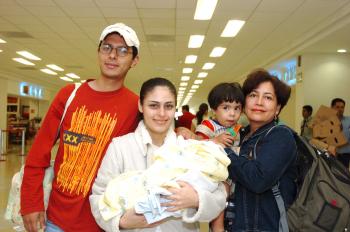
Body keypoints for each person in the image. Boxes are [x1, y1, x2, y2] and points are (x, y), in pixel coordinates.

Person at [20, 23, 140, 232]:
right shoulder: (69, 95)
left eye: (123, 51)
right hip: (56, 221)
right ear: (98, 51)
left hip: (105, 222)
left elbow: (161, 144)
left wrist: (187, 134)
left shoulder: (136, 106)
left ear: (134, 61)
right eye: (107, 47)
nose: (113, 55)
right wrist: (30, 202)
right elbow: (38, 153)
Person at [90, 77, 226, 232]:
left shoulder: (189, 147)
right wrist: (121, 222)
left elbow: (219, 198)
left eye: (168, 106)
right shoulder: (120, 147)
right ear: (141, 106)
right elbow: (98, 197)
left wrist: (196, 199)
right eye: (153, 106)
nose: (161, 113)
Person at [225, 69, 297, 231]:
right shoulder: (241, 134)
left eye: (268, 97)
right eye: (253, 95)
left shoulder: (281, 136)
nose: (259, 102)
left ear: (278, 108)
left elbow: (258, 179)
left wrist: (223, 152)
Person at [195, 82, 244, 149]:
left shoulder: (238, 128)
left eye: (236, 108)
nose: (232, 114)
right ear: (214, 110)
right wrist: (216, 140)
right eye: (225, 108)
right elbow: (197, 146)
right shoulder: (208, 126)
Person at [331, 98, 350, 168]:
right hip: (330, 154)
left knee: (344, 176)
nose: (340, 109)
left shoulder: (349, 120)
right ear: (332, 107)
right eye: (337, 107)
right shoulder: (326, 122)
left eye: (342, 107)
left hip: (344, 154)